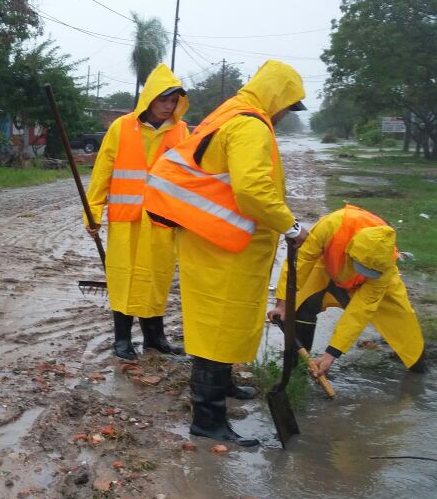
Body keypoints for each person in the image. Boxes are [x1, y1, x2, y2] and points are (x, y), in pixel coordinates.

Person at [144, 59, 309, 447]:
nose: (286, 114)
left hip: (215, 240)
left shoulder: (231, 113)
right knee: (218, 326)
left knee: (222, 322)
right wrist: (291, 225)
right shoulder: (250, 124)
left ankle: (224, 387)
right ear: (277, 96)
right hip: (223, 246)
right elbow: (251, 190)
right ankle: (208, 418)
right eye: (288, 105)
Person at [84, 63, 189, 360]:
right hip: (126, 219)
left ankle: (155, 339)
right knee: (123, 278)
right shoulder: (122, 127)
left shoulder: (181, 131)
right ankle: (122, 340)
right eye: (163, 100)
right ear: (150, 98)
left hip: (161, 220)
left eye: (174, 101)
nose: (168, 107)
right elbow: (102, 173)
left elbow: (190, 178)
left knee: (157, 279)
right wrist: (92, 215)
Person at [267, 204, 426, 376]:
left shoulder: (384, 266)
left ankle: (417, 365)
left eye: (369, 272)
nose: (363, 272)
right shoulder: (332, 225)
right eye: (361, 267)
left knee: (403, 324)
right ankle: (296, 371)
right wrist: (282, 303)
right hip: (325, 267)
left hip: (364, 286)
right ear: (350, 250)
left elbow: (359, 312)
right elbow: (301, 262)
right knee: (300, 304)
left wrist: (331, 354)